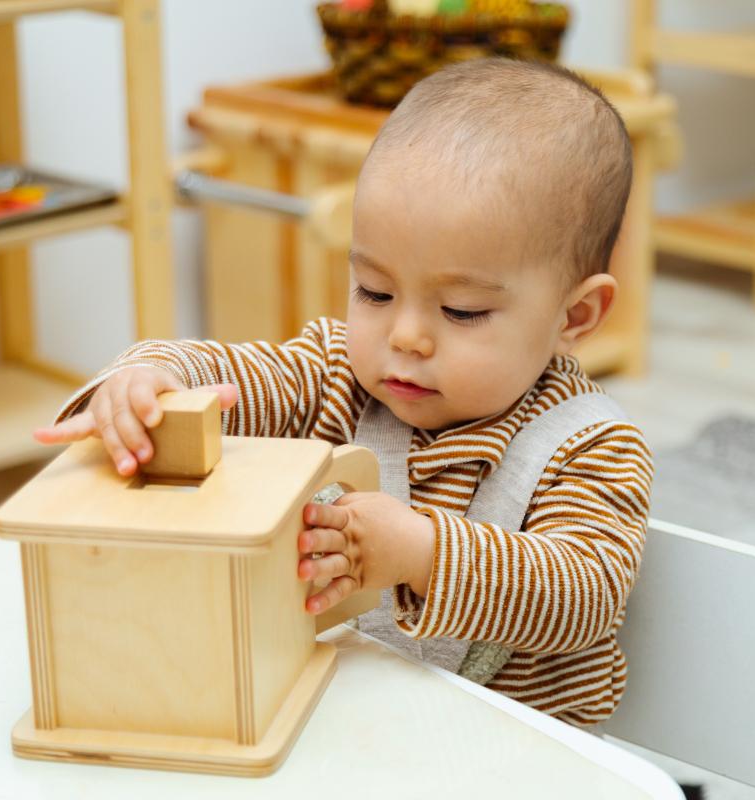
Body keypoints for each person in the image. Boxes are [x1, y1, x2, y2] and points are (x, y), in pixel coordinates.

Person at [34, 58, 652, 727]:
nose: (406, 337)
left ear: (575, 317)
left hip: (518, 759)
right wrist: (149, 380)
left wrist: (422, 552)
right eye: (375, 292)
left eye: (463, 310)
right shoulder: (337, 377)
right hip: (347, 728)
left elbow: (582, 598)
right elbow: (233, 375)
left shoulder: (592, 447)